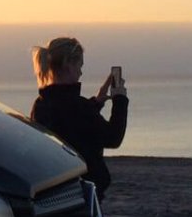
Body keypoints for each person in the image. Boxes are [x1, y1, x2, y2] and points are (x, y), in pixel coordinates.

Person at [29, 36, 129, 197]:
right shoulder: (78, 108)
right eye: (79, 65)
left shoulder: (41, 105)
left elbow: (73, 125)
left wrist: (95, 103)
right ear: (68, 64)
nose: (81, 72)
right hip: (84, 192)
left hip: (56, 189)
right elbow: (113, 137)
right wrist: (120, 100)